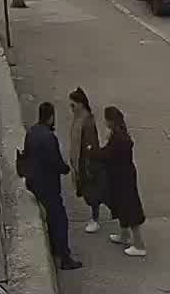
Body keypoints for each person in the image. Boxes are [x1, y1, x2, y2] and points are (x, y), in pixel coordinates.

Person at [20, 100, 83, 270]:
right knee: (60, 219)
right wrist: (67, 169)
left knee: (52, 217)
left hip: (34, 182)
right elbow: (56, 162)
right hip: (47, 185)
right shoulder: (49, 137)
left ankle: (56, 248)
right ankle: (64, 257)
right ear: (51, 117)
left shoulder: (32, 131)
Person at [100, 106, 148, 257]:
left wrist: (96, 150)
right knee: (122, 205)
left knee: (129, 208)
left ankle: (139, 245)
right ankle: (124, 235)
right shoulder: (120, 134)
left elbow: (109, 155)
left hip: (123, 177)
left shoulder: (118, 138)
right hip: (123, 175)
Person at [69, 88, 107, 234]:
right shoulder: (79, 118)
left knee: (92, 193)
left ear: (81, 104)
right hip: (81, 164)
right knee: (89, 192)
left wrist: (87, 166)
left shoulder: (87, 122)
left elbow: (91, 146)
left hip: (87, 164)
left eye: (73, 105)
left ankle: (95, 219)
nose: (71, 109)